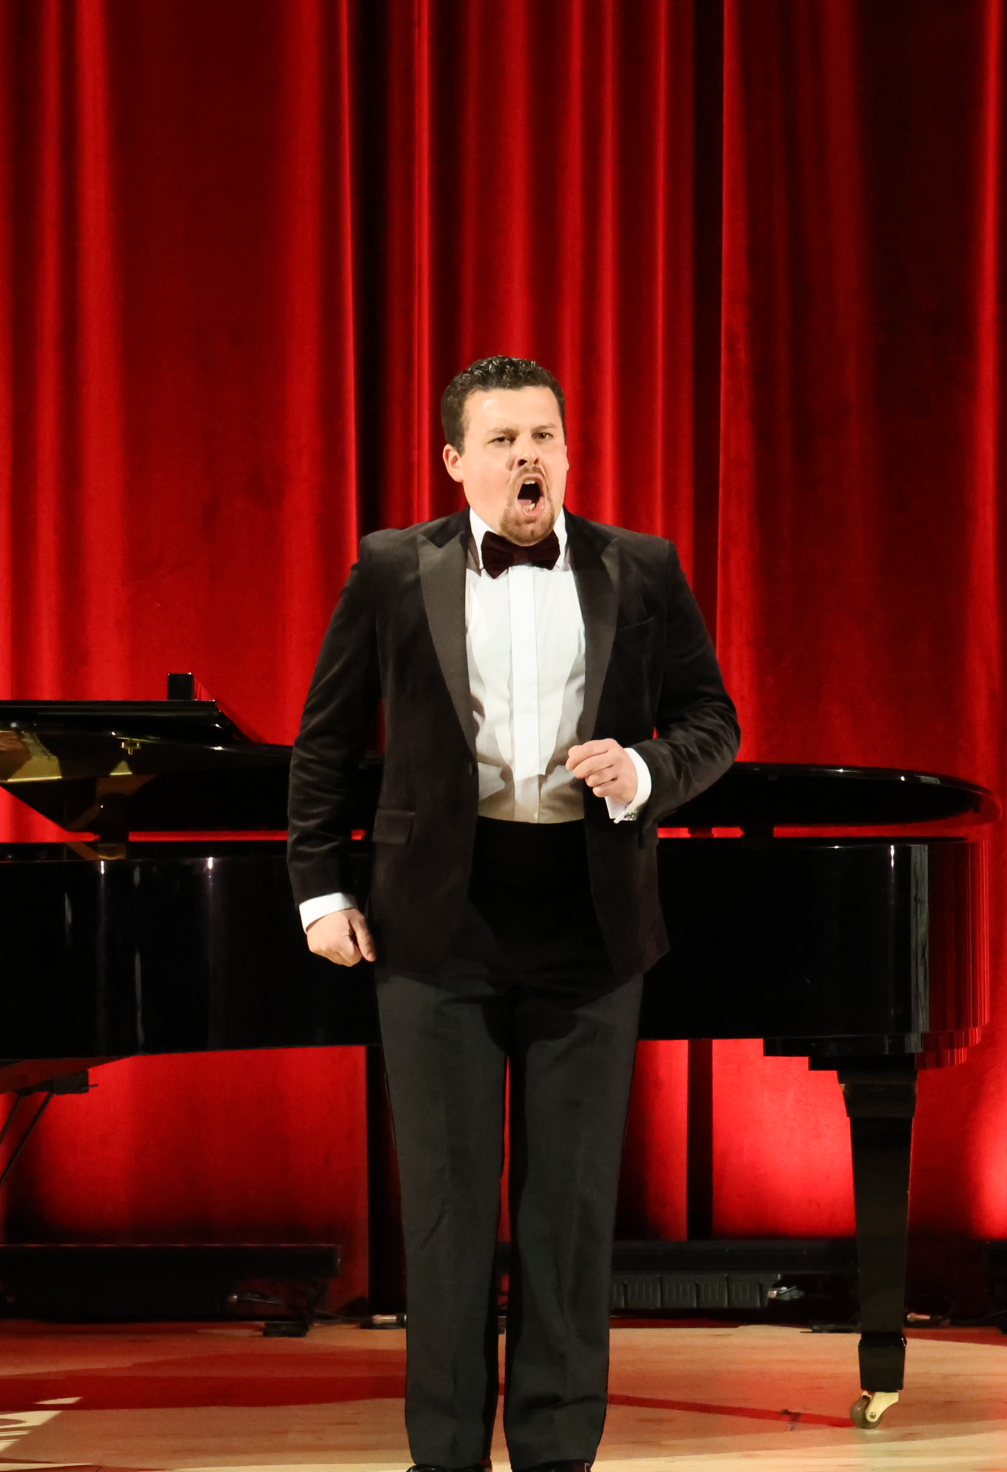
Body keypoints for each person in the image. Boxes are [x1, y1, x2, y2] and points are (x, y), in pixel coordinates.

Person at [289, 356, 740, 1472]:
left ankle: (556, 1454)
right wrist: (320, 888)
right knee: (446, 1212)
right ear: (457, 462)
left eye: (544, 436)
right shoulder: (394, 569)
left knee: (569, 1214)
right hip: (437, 921)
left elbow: (712, 721)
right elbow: (326, 743)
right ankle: (444, 1455)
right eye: (502, 440)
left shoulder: (642, 567)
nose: (527, 456)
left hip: (589, 919)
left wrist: (647, 768)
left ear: (568, 453)